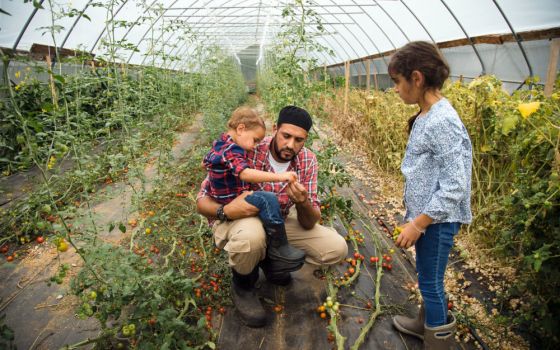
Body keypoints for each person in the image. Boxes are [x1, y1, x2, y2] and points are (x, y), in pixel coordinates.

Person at [196, 105, 348, 327]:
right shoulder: (248, 146)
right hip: (240, 220)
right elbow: (201, 201)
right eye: (286, 136)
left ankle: (272, 261)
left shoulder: (307, 160)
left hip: (279, 223)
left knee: (336, 248)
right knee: (251, 236)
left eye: (299, 140)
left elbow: (309, 221)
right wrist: (225, 211)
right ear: (275, 129)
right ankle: (244, 285)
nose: (291, 145)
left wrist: (302, 202)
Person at [389, 41, 472, 350]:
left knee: (432, 283)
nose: (396, 89)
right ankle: (425, 324)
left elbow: (455, 185)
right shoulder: (427, 115)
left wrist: (418, 224)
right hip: (429, 217)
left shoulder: (442, 121)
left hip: (437, 221)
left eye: (398, 81)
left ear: (417, 78)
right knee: (427, 276)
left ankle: (437, 340)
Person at [202, 106, 306, 278]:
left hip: (227, 198)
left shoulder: (220, 144)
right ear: (241, 129)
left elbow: (205, 161)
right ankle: (278, 247)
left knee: (266, 202)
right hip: (233, 201)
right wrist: (280, 177)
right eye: (255, 140)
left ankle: (271, 256)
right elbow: (245, 173)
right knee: (268, 199)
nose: (255, 146)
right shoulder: (232, 150)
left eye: (259, 141)